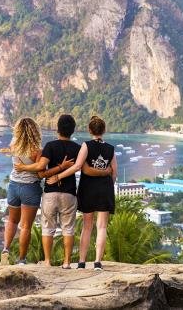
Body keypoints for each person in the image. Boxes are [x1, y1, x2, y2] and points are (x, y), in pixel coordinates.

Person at [48, 115, 116, 270]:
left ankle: (82, 262)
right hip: (105, 189)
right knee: (102, 227)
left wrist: (58, 176)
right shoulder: (111, 149)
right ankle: (97, 262)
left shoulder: (86, 145)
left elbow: (78, 166)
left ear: (89, 130)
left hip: (88, 188)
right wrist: (106, 184)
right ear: (104, 130)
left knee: (87, 226)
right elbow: (114, 173)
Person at [14, 114, 80, 268]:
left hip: (50, 192)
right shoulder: (78, 148)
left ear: (57, 129)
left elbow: (41, 172)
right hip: (69, 192)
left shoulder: (50, 146)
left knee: (48, 228)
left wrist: (24, 167)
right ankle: (67, 262)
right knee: (68, 228)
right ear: (73, 130)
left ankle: (48, 261)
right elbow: (81, 168)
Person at [0, 117, 43, 266]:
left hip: (13, 185)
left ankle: (5, 249)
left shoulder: (13, 144)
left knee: (12, 220)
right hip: (30, 187)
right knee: (25, 226)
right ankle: (22, 259)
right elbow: (40, 173)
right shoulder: (37, 150)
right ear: (34, 130)